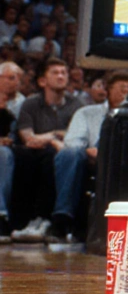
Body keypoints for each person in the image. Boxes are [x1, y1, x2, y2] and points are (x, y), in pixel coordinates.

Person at [49, 70, 128, 243]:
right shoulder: (86, 113)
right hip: (89, 158)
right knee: (69, 154)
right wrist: (90, 151)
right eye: (122, 87)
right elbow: (72, 142)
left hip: (121, 161)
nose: (126, 92)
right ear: (108, 89)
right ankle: (62, 218)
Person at [11, 59, 82, 242]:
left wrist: (47, 138)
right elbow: (28, 138)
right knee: (27, 156)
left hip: (64, 154)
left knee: (61, 157)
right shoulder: (31, 103)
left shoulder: (77, 105)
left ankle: (49, 220)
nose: (61, 76)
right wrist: (53, 136)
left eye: (64, 72)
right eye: (55, 72)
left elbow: (75, 137)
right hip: (35, 153)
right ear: (43, 81)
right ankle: (29, 221)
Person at [0, 61, 24, 242]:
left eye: (19, 79)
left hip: (14, 147)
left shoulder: (22, 102)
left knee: (5, 155)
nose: (16, 82)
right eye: (11, 78)